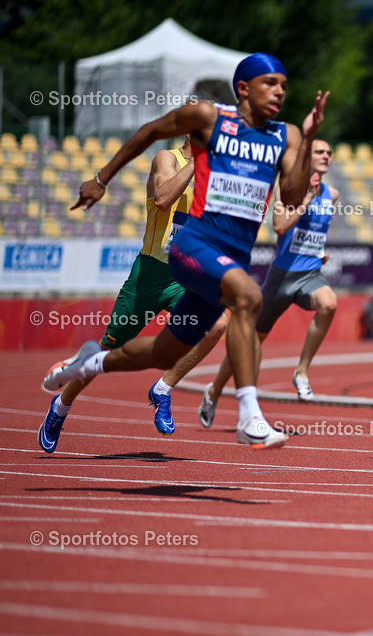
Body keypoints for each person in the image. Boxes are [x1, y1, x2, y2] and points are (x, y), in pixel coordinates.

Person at [41, 52, 329, 451]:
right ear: (243, 88)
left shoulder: (286, 135)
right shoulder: (206, 123)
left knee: (164, 352)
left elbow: (292, 196)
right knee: (248, 297)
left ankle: (96, 363)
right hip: (181, 254)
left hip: (221, 260)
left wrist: (311, 135)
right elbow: (151, 140)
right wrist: (100, 178)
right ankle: (248, 415)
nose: (280, 90)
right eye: (270, 83)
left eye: (284, 84)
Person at [39, 136, 229, 450]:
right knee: (106, 352)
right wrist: (198, 162)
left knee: (217, 325)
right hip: (151, 274)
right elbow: (164, 199)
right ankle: (61, 406)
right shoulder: (167, 160)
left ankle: (163, 389)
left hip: (187, 274)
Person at [198, 139, 339, 422]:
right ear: (305, 158)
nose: (326, 156)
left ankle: (301, 372)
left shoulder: (332, 194)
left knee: (329, 304)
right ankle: (214, 391)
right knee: (250, 342)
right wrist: (306, 203)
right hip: (281, 277)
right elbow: (279, 227)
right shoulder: (288, 190)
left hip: (310, 274)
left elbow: (314, 233)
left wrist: (318, 252)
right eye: (320, 152)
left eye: (329, 153)